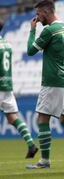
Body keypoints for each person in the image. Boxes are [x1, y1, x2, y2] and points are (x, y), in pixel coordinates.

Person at [25, 0, 64, 169]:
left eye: (38, 14)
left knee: (42, 119)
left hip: (53, 81)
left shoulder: (50, 30)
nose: (37, 17)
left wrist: (32, 30)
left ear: (46, 12)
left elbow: (30, 51)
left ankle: (44, 161)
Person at [0, 22, 38, 159]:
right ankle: (31, 144)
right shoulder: (7, 44)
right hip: (7, 85)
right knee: (12, 118)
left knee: (12, 118)